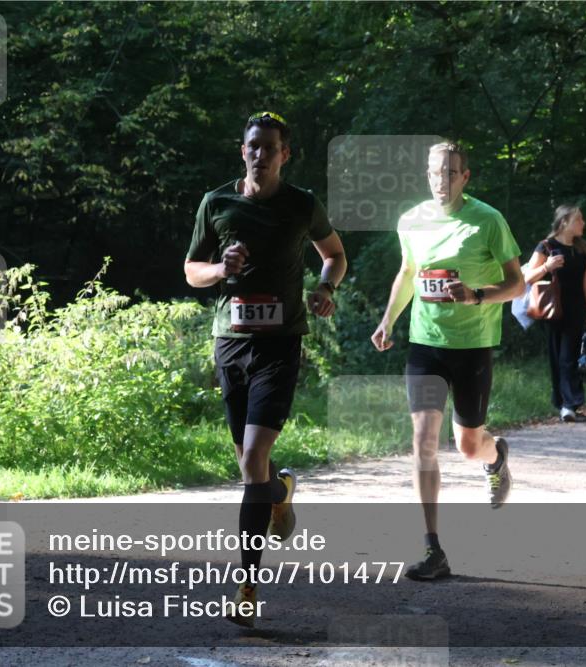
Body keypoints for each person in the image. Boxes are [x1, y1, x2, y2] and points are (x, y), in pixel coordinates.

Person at [184, 112, 347, 626]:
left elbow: (335, 254)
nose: (261, 154)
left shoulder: (302, 204)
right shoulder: (217, 203)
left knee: (254, 454)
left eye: (270, 147)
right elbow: (192, 271)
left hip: (280, 344)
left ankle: (247, 585)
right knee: (250, 465)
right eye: (253, 145)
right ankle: (279, 493)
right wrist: (220, 268)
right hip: (230, 343)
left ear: (284, 154)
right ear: (243, 150)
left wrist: (325, 288)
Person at [371, 141, 523, 581]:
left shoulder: (488, 220)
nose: (441, 181)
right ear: (427, 175)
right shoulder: (412, 220)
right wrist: (388, 321)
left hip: (473, 344)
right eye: (435, 173)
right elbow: (407, 272)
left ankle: (495, 459)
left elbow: (515, 284)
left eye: (450, 173)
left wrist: (478, 295)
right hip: (426, 344)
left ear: (465, 177)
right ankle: (433, 548)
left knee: (468, 444)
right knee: (423, 440)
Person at [522, 205, 586, 422]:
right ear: (564, 222)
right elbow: (527, 278)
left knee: (569, 356)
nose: (583, 223)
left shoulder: (582, 250)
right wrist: (547, 266)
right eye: (579, 219)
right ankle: (565, 402)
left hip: (577, 308)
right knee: (558, 356)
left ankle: (570, 403)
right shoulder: (546, 247)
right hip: (552, 309)